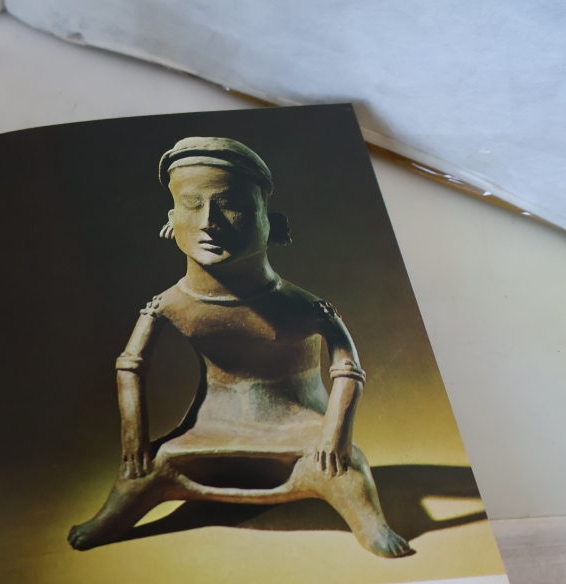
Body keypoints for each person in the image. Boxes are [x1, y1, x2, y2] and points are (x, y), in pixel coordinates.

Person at [67, 137, 413, 558]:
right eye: (192, 204)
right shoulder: (169, 304)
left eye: (231, 206)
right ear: (171, 221)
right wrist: (134, 442)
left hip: (302, 428)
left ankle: (369, 523)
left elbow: (347, 371)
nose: (209, 222)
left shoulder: (302, 306)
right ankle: (116, 515)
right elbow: (130, 367)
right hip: (207, 427)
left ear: (272, 223)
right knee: (150, 468)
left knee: (346, 467)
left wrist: (334, 436)